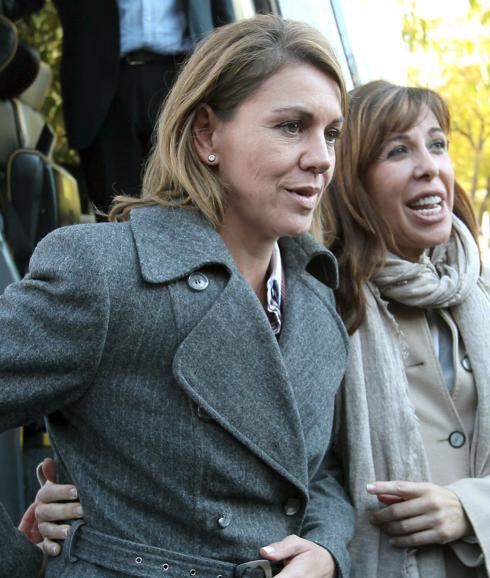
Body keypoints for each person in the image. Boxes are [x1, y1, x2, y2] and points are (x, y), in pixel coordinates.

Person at [0, 14, 354, 578]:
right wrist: (21, 567)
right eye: (292, 127)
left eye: (331, 133)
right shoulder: (105, 274)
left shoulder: (313, 294)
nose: (322, 157)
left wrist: (327, 551)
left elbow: (316, 472)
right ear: (207, 135)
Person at [326, 80, 490, 577]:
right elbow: (305, 477)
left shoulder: (479, 296)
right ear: (354, 183)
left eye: (437, 144)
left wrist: (470, 510)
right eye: (398, 150)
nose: (429, 166)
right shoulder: (325, 305)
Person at [3, 0, 235, 214]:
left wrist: (230, 91)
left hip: (185, 83)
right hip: (102, 92)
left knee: (190, 218)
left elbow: (224, 20)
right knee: (116, 221)